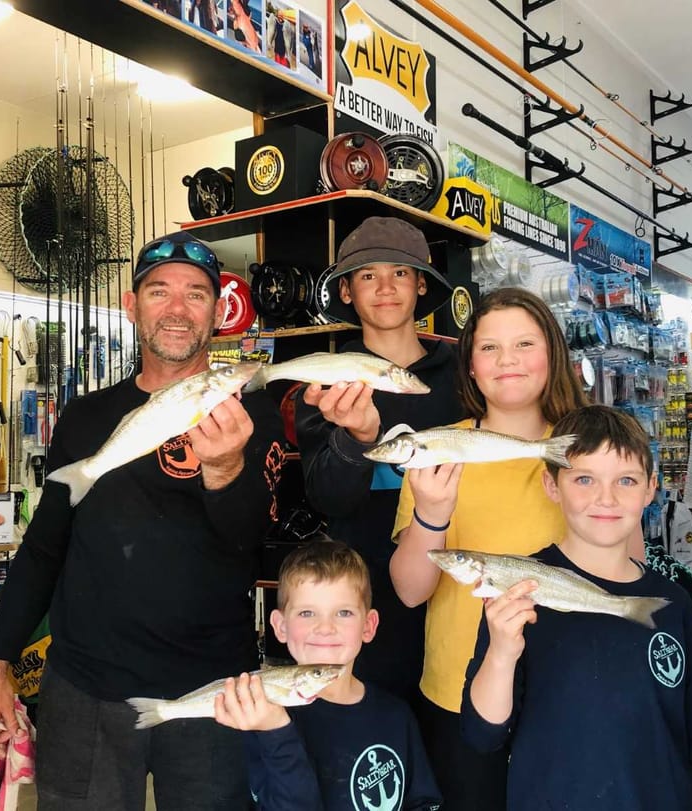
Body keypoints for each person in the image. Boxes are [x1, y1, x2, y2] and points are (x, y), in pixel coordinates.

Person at [0, 231, 285, 810]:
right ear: (131, 305)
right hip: (85, 688)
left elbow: (249, 541)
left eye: (196, 294)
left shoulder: (251, 412)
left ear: (217, 312)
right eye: (159, 291)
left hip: (214, 692)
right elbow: (43, 549)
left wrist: (224, 468)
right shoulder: (84, 417)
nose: (177, 309)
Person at [460, 405, 692, 810]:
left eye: (626, 480)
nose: (606, 498)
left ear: (650, 488)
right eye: (584, 479)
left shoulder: (673, 602)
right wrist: (501, 653)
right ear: (552, 485)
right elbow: (483, 735)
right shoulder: (518, 593)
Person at [389, 287, 588, 811]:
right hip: (458, 690)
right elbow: (410, 592)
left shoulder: (585, 452)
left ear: (552, 355)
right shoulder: (433, 450)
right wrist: (432, 513)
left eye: (524, 344)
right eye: (489, 348)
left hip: (569, 689)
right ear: (471, 367)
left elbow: (624, 567)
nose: (507, 360)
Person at [295, 216, 463, 709]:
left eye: (400, 273)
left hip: (457, 590)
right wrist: (356, 439)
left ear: (421, 285)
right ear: (346, 291)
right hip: (362, 602)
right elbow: (328, 499)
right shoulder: (325, 385)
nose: (385, 288)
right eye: (368, 275)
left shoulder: (464, 377)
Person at [214, 538, 442, 810]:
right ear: (280, 626)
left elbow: (423, 801)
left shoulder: (396, 716)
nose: (325, 627)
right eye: (307, 613)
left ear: (368, 625)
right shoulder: (262, 720)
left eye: (343, 612)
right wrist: (277, 732)